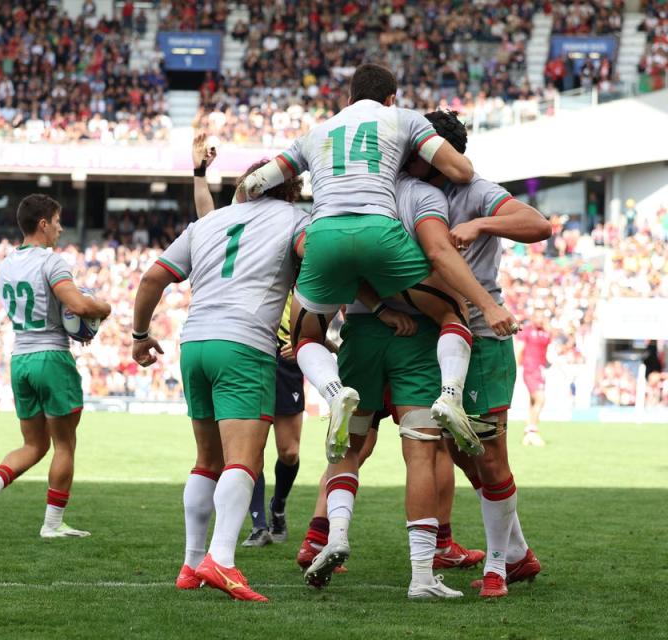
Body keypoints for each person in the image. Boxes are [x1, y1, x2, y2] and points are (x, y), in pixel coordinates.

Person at [233, 63, 517, 465]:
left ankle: (334, 394)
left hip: (326, 235)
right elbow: (461, 170)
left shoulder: (314, 133)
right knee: (454, 311)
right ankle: (451, 394)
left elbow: (253, 185)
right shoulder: (403, 119)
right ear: (391, 99)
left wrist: (236, 212)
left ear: (347, 98)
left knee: (306, 338)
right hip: (381, 234)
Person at [304, 172, 494, 598]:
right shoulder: (424, 195)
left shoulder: (354, 194)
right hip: (419, 335)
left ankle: (334, 535)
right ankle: (423, 575)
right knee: (422, 452)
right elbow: (436, 250)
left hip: (360, 330)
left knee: (349, 448)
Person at [132, 161, 308, 603]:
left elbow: (154, 276)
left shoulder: (209, 222)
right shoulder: (295, 219)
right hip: (244, 344)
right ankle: (222, 561)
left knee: (206, 461)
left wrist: (139, 336)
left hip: (196, 343)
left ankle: (191, 565)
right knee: (243, 462)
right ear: (290, 190)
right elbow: (316, 268)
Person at [409, 109, 548, 596]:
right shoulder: (407, 188)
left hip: (484, 338)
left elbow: (538, 224)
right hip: (436, 337)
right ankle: (517, 554)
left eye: (423, 147)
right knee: (459, 449)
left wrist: (483, 225)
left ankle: (496, 567)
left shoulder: (476, 191)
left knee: (489, 456)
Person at [0, 195, 112, 540]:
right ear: (43, 224)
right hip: (51, 357)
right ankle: (52, 525)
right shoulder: (52, 262)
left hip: (20, 359)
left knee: (34, 445)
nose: (61, 228)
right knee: (64, 445)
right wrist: (103, 307)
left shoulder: (5, 264)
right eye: (58, 221)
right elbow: (76, 304)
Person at [189, 132, 304, 548]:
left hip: (283, 355)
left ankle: (276, 507)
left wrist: (310, 339)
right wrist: (200, 173)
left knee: (288, 452)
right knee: (244, 452)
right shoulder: (245, 228)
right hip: (246, 347)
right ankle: (255, 524)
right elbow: (208, 220)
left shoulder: (290, 229)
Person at [518, 309, 551, 447]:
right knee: (540, 399)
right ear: (532, 318)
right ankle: (532, 430)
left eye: (541, 317)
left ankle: (528, 435)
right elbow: (520, 349)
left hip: (540, 369)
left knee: (533, 401)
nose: (539, 319)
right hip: (530, 369)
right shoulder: (526, 331)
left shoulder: (546, 333)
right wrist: (516, 365)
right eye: (537, 317)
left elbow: (545, 351)